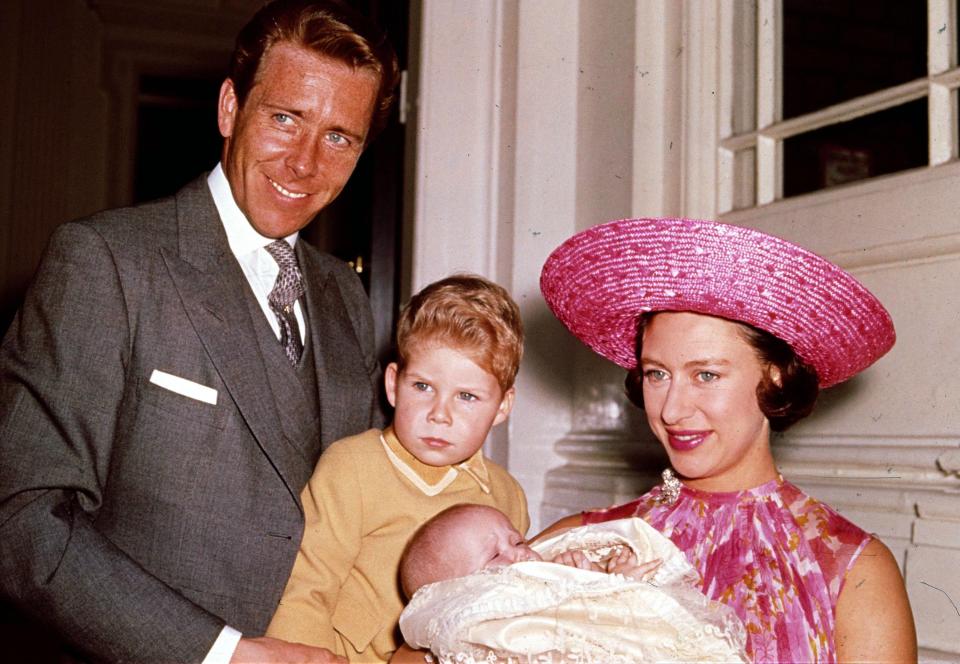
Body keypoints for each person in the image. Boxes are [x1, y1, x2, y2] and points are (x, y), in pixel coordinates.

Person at [0, 1, 399, 662]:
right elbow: (21, 520)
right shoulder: (106, 261)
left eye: (339, 137)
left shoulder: (344, 296)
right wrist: (224, 654)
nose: (304, 162)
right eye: (284, 118)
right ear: (228, 108)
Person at [536, 217, 918, 663]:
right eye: (657, 374)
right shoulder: (581, 544)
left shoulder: (852, 571)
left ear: (773, 376)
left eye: (706, 374)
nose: (672, 408)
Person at [265, 275, 530, 662]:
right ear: (393, 384)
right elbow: (306, 589)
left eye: (467, 396)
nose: (440, 415)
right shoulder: (352, 467)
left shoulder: (506, 494)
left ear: (503, 407)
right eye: (422, 387)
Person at [395, 503, 749, 664]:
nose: (519, 555)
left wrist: (607, 581)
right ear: (454, 595)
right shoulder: (476, 620)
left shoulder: (549, 570)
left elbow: (600, 620)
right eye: (494, 557)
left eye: (518, 541)